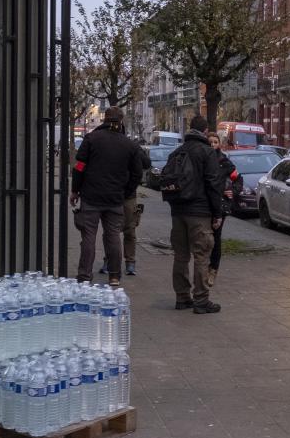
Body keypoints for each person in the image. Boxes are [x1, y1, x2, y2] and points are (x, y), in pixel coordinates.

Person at [70, 106, 144, 286]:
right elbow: (137, 173)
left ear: (104, 119)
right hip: (115, 198)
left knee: (89, 236)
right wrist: (126, 191)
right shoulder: (129, 144)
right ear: (121, 121)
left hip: (91, 196)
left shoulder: (91, 139)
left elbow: (79, 166)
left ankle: (85, 275)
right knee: (113, 238)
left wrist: (75, 190)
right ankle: (114, 276)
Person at [163, 115, 223, 313]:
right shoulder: (207, 153)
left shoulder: (177, 152)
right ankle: (201, 300)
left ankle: (182, 297)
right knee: (201, 256)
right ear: (205, 131)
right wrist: (217, 213)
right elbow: (214, 184)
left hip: (178, 211)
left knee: (180, 256)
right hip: (200, 212)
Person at [101, 143, 151, 277]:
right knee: (118, 231)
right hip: (120, 194)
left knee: (124, 230)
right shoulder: (113, 145)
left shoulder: (130, 146)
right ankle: (122, 262)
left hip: (120, 195)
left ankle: (123, 262)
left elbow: (146, 164)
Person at [206, 132, 244, 288]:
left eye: (215, 142)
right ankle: (203, 268)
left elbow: (238, 179)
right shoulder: (203, 160)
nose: (213, 145)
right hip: (205, 204)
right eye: (210, 142)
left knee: (215, 238)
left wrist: (233, 191)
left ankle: (213, 270)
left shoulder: (224, 162)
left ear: (219, 144)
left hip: (220, 206)